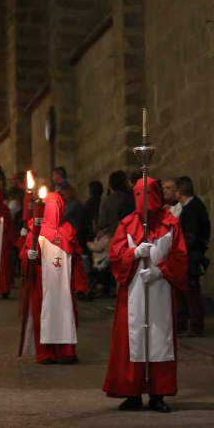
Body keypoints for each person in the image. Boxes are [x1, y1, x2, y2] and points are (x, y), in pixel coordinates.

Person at [103, 177, 187, 413]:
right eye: (139, 195)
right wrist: (134, 253)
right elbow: (116, 257)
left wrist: (160, 271)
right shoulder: (126, 225)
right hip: (134, 293)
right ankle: (132, 393)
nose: (145, 202)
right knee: (134, 339)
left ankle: (158, 393)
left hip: (160, 290)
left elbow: (180, 257)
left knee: (159, 340)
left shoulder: (171, 224)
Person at [20, 192, 88, 364]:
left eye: (58, 204)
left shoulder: (68, 230)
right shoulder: (36, 229)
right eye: (51, 205)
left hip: (64, 284)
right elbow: (25, 254)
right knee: (43, 315)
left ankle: (66, 351)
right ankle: (45, 353)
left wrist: (79, 283)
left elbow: (77, 258)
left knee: (66, 315)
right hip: (43, 284)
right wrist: (30, 254)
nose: (55, 209)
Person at [175, 176, 209, 338]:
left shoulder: (193, 207)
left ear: (180, 191)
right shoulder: (192, 206)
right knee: (184, 290)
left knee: (192, 291)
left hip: (191, 255)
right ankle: (182, 324)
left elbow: (192, 234)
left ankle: (195, 326)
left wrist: (179, 248)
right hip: (188, 254)